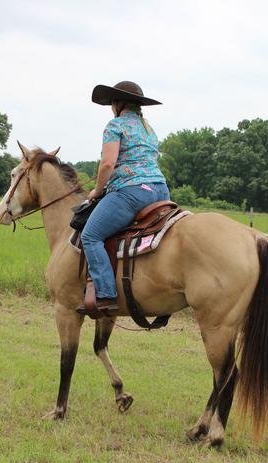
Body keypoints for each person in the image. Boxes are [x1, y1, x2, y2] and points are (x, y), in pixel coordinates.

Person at [80, 81, 170, 315]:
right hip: (161, 191)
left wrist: (97, 190)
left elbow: (107, 164)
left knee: (91, 236)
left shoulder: (115, 125)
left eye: (112, 102)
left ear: (117, 104)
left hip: (132, 192)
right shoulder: (149, 129)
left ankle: (106, 294)